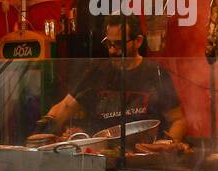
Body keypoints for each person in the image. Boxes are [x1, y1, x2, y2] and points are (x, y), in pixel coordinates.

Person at [37, 14, 187, 142]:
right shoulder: (98, 72)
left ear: (138, 41)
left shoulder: (155, 73)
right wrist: (41, 132)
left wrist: (166, 147)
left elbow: (178, 120)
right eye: (109, 43)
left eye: (119, 44)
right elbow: (65, 107)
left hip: (143, 158)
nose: (112, 50)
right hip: (104, 156)